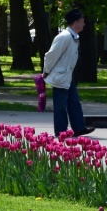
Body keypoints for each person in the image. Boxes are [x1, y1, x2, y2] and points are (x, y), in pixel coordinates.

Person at [42, 9, 95, 138]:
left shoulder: (73, 37)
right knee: (60, 106)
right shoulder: (64, 37)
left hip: (68, 77)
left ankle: (79, 128)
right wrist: (46, 71)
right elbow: (51, 56)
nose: (84, 24)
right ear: (75, 22)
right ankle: (61, 131)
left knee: (74, 103)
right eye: (82, 21)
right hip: (61, 77)